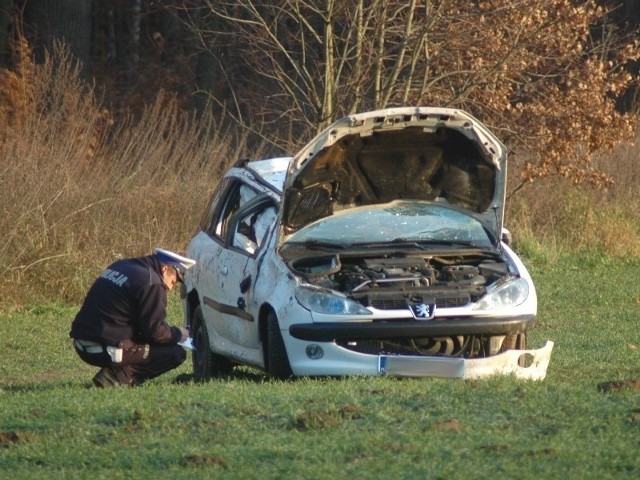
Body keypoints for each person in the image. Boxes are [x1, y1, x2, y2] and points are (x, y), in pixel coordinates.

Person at [70, 248, 196, 387]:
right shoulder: (152, 282)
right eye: (173, 281)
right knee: (175, 353)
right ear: (165, 269)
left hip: (81, 344)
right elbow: (155, 333)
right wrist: (179, 334)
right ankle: (114, 378)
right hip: (105, 348)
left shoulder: (122, 265)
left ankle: (115, 374)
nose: (170, 288)